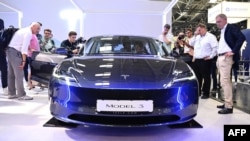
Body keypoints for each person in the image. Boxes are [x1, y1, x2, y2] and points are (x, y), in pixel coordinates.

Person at [215, 14, 245, 114]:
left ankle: (228, 106)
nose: (217, 23)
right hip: (220, 57)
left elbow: (241, 37)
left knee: (225, 81)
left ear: (225, 20)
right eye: (216, 22)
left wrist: (233, 51)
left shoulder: (231, 27)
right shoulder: (223, 31)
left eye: (219, 21)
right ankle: (227, 102)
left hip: (226, 58)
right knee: (224, 82)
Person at [6, 22, 41, 100]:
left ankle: (11, 94)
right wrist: (24, 61)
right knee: (19, 74)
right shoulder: (28, 33)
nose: (38, 31)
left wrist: (29, 48)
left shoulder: (24, 30)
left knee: (11, 74)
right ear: (33, 26)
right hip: (15, 52)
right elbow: (23, 49)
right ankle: (21, 95)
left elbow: (22, 43)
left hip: (10, 50)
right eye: (38, 28)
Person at [191, 23, 218, 99]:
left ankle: (206, 93)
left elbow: (215, 47)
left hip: (205, 60)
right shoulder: (197, 37)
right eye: (198, 30)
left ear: (204, 28)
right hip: (197, 59)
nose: (199, 31)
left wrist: (211, 56)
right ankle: (198, 92)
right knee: (198, 77)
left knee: (206, 77)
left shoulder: (211, 37)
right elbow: (191, 43)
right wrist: (195, 35)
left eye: (200, 30)